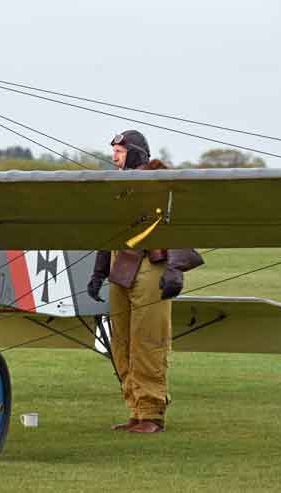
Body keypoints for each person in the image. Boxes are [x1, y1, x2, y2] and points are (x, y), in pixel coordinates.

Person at [87, 130, 195, 433]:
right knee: (121, 345)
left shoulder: (161, 181)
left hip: (151, 266)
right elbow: (108, 232)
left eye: (119, 151)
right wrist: (98, 273)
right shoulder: (117, 187)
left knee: (148, 341)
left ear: (134, 152)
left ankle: (151, 414)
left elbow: (177, 224)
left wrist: (176, 269)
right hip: (119, 268)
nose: (114, 157)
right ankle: (136, 411)